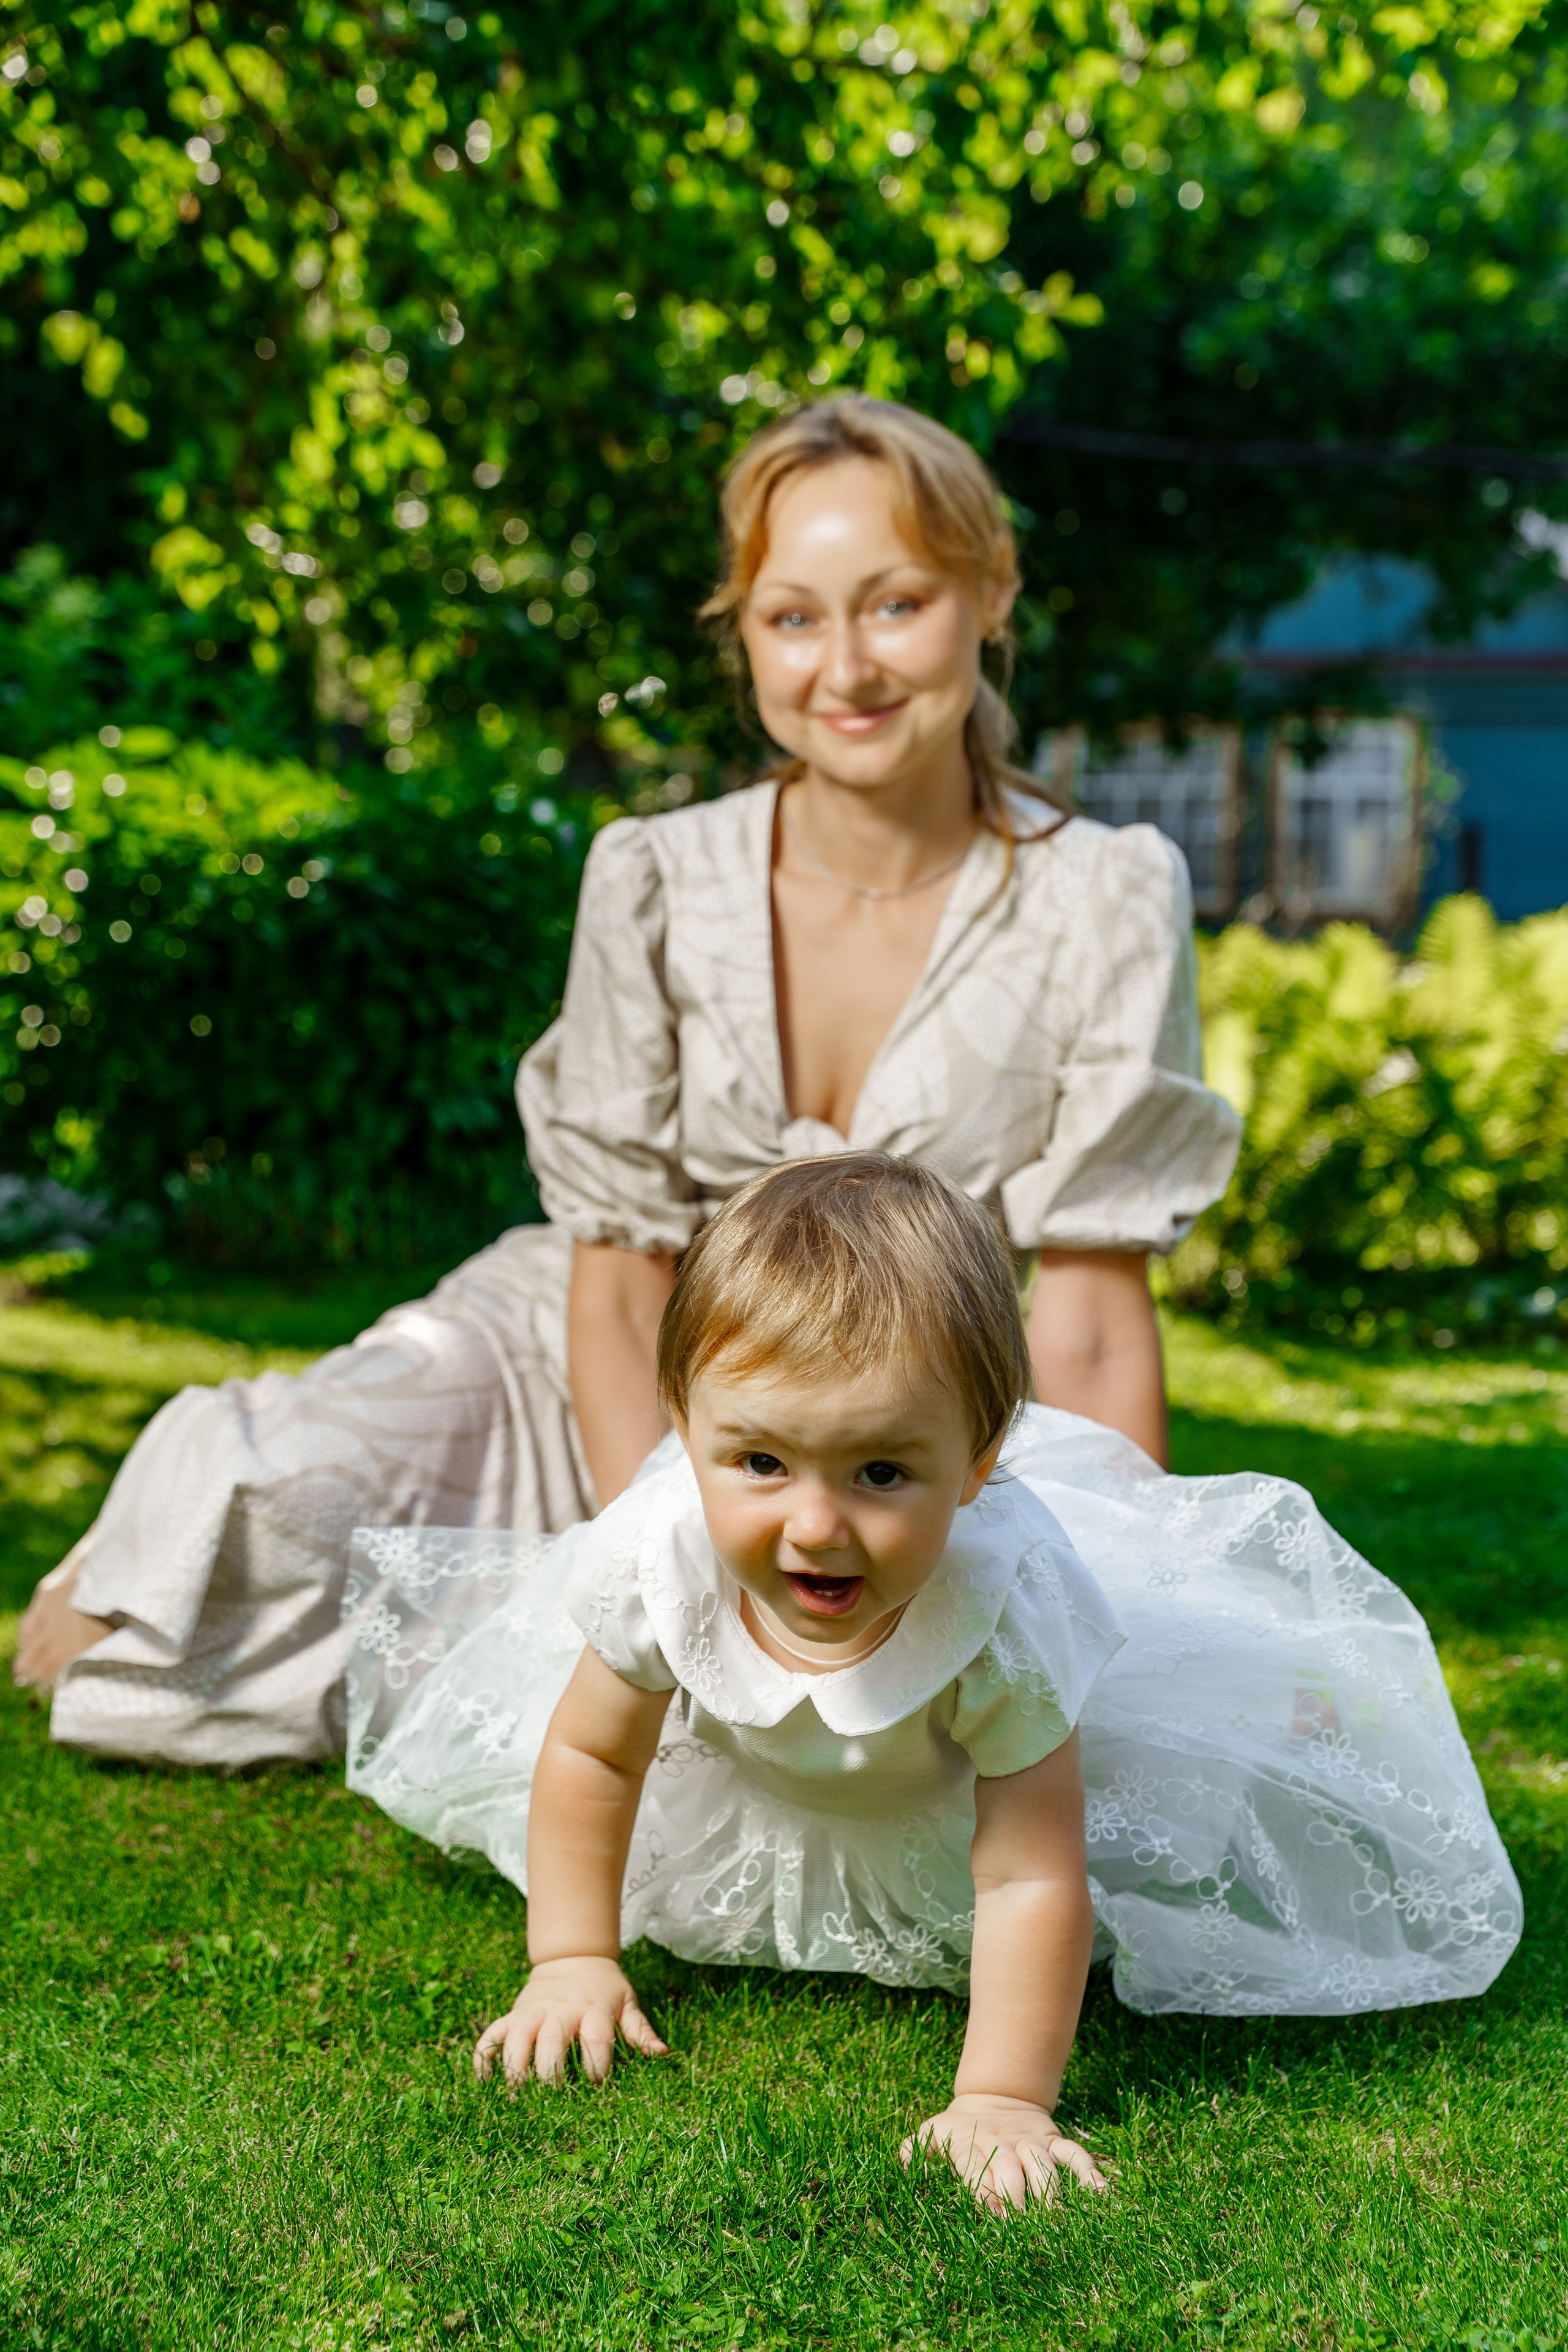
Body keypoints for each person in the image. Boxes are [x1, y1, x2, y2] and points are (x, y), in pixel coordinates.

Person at [17, 392, 1242, 1768]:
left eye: (894, 604)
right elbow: (613, 1278)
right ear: (746, 634)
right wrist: (675, 1565)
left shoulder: (1103, 895)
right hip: (583, 1362)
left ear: (988, 594)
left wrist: (1109, 1599)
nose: (845, 666)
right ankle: (135, 1546)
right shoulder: (654, 877)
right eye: (792, 618)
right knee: (262, 1527)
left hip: (863, 1438)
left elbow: (1081, 1324)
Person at [343, 1155, 1520, 2212]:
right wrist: (573, 1958)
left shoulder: (1001, 1614)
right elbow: (596, 1756)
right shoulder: (664, 1562)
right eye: (758, 1461)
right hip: (757, 1778)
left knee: (1184, 1769)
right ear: (686, 1428)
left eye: (881, 1471)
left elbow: (1027, 1868)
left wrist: (1003, 2096)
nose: (815, 1526)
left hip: (956, 1802)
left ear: (978, 1463)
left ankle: (1296, 1700)